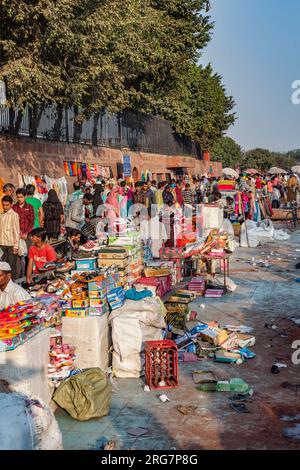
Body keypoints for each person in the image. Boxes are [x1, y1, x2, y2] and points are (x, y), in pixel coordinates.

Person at [0, 195, 20, 280]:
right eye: (3, 205)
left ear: (11, 204)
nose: (5, 207)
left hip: (11, 245)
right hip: (2, 244)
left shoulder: (14, 215)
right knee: (3, 267)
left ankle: (12, 285)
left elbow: (16, 231)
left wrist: (16, 246)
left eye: (7, 205)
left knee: (11, 267)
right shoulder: (1, 215)